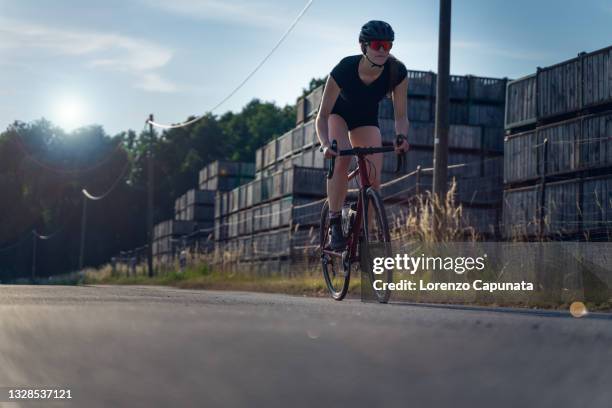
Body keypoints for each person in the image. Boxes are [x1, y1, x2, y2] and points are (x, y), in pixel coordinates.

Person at [316, 20, 410, 250]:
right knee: (342, 158)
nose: (382, 51)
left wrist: (401, 137)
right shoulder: (345, 68)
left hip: (366, 120)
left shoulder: (397, 72)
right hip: (338, 114)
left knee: (373, 180)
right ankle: (335, 223)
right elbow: (322, 115)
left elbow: (401, 116)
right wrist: (326, 144)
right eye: (377, 45)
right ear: (364, 46)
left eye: (387, 46)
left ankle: (362, 236)